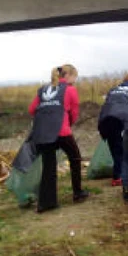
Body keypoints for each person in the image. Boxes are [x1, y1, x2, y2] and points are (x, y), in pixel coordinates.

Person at [28, 64, 89, 213]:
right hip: (62, 132)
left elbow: (32, 110)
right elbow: (74, 114)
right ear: (67, 76)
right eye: (75, 76)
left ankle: (46, 203)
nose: (75, 80)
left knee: (48, 167)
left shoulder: (43, 90)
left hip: (43, 133)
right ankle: (78, 193)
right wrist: (67, 124)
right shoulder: (70, 90)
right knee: (75, 159)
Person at [97, 72, 128, 187]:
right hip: (122, 120)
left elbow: (107, 104)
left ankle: (117, 175)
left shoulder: (113, 90)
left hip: (105, 120)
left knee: (114, 148)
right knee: (123, 149)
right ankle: (120, 176)